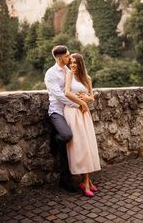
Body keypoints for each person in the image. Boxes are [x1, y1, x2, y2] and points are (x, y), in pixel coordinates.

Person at [44, 45, 86, 192]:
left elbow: (75, 88)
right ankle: (57, 139)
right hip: (57, 112)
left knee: (76, 140)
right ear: (61, 58)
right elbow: (59, 96)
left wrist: (84, 97)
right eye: (67, 56)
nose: (70, 57)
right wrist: (78, 104)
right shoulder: (50, 74)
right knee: (66, 136)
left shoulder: (69, 71)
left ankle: (66, 179)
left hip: (70, 111)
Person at [64, 53, 101, 197]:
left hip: (84, 114)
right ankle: (86, 182)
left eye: (75, 63)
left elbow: (92, 96)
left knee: (87, 146)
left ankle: (87, 181)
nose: (72, 65)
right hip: (73, 113)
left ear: (80, 64)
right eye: (71, 62)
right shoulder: (69, 76)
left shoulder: (88, 78)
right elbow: (67, 92)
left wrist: (87, 99)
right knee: (80, 147)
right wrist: (82, 102)